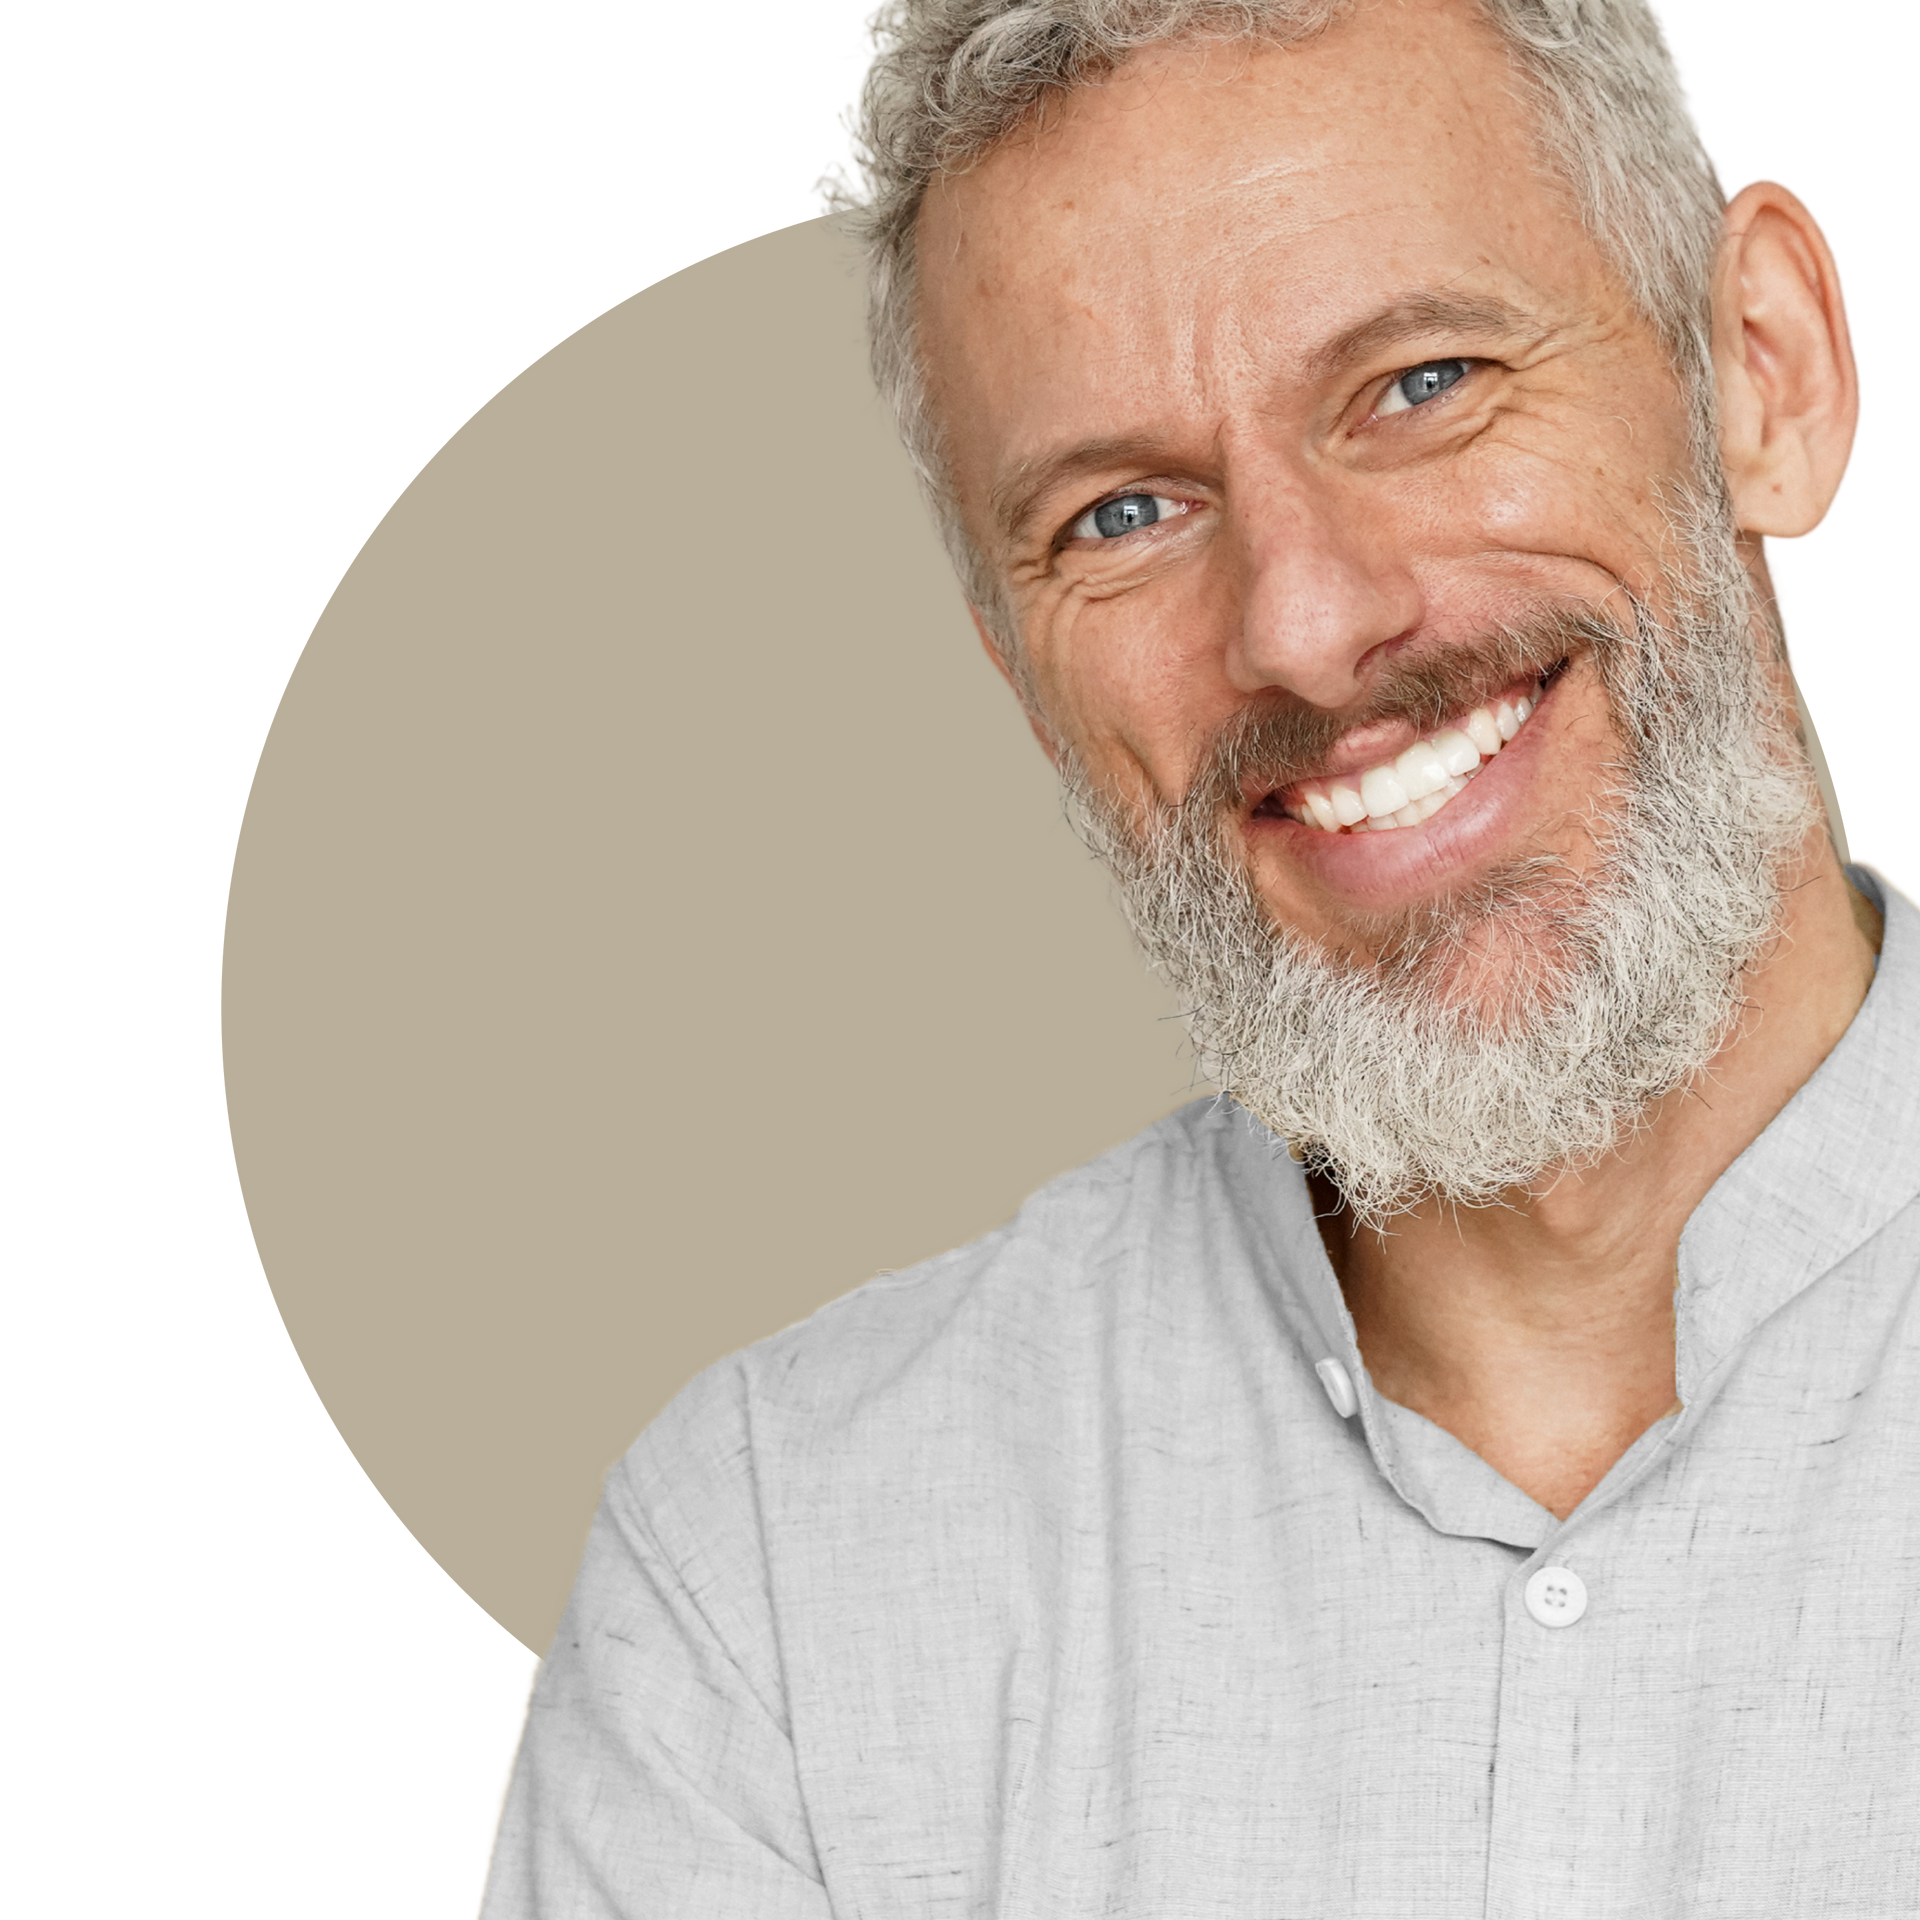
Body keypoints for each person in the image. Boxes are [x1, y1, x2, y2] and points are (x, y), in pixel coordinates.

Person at [476, 1, 1915, 1911]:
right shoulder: (774, 1580)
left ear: (1763, 371)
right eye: (1123, 515)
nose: (1306, 628)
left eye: (1422, 382)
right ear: (1022, 677)